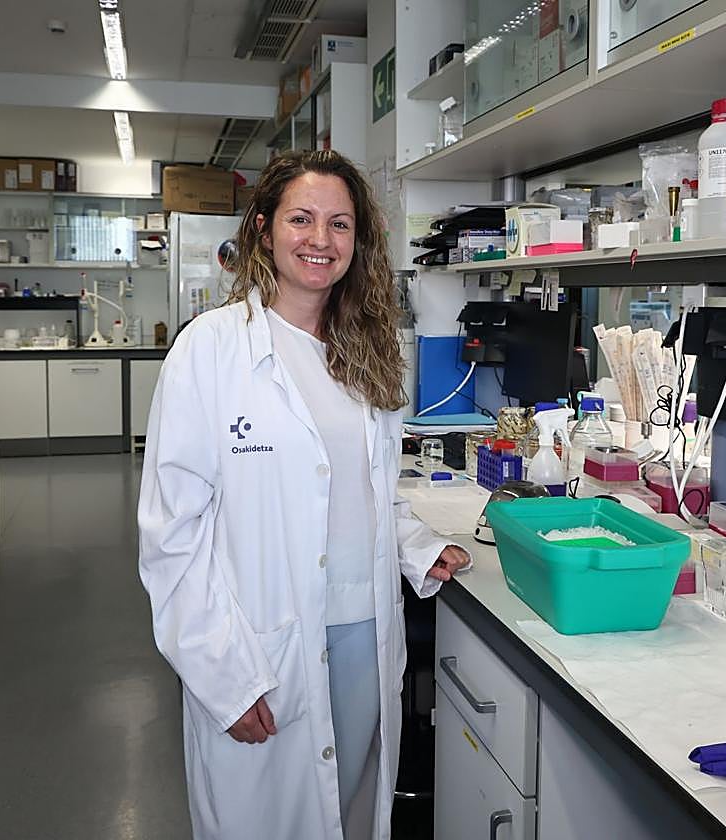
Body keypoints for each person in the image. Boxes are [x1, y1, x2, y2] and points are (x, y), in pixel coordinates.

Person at [138, 149, 471, 840]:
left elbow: (367, 487)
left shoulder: (368, 352)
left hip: (361, 633)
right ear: (263, 230)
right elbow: (171, 535)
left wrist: (417, 546)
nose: (321, 240)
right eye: (301, 219)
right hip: (262, 642)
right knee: (262, 820)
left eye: (340, 224)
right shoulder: (210, 351)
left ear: (358, 241)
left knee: (347, 811)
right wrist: (219, 672)